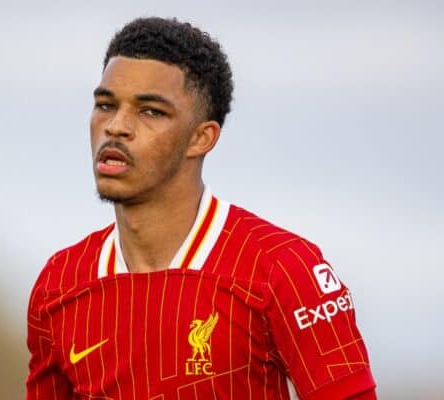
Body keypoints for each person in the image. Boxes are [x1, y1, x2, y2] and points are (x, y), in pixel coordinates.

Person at [26, 17, 377, 400]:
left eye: (150, 111)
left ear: (201, 138)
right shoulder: (58, 285)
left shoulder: (285, 269)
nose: (116, 126)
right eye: (106, 105)